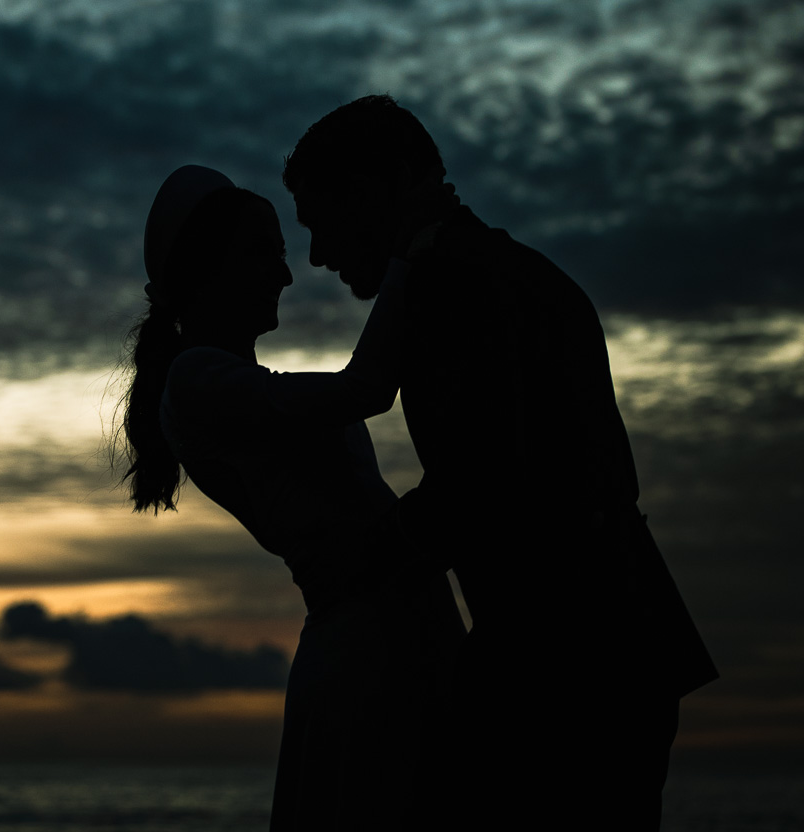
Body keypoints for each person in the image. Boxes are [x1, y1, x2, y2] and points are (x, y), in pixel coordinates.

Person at [281, 96, 716, 830]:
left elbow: (481, 485)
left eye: (320, 221)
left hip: (565, 658)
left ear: (380, 187)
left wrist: (364, 557)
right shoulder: (520, 272)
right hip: (613, 637)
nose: (318, 255)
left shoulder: (454, 284)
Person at [121, 164, 465, 831]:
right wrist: (411, 250)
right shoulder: (197, 381)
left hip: (391, 635)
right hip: (368, 654)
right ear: (210, 268)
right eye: (267, 253)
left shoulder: (231, 384)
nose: (285, 274)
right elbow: (366, 389)